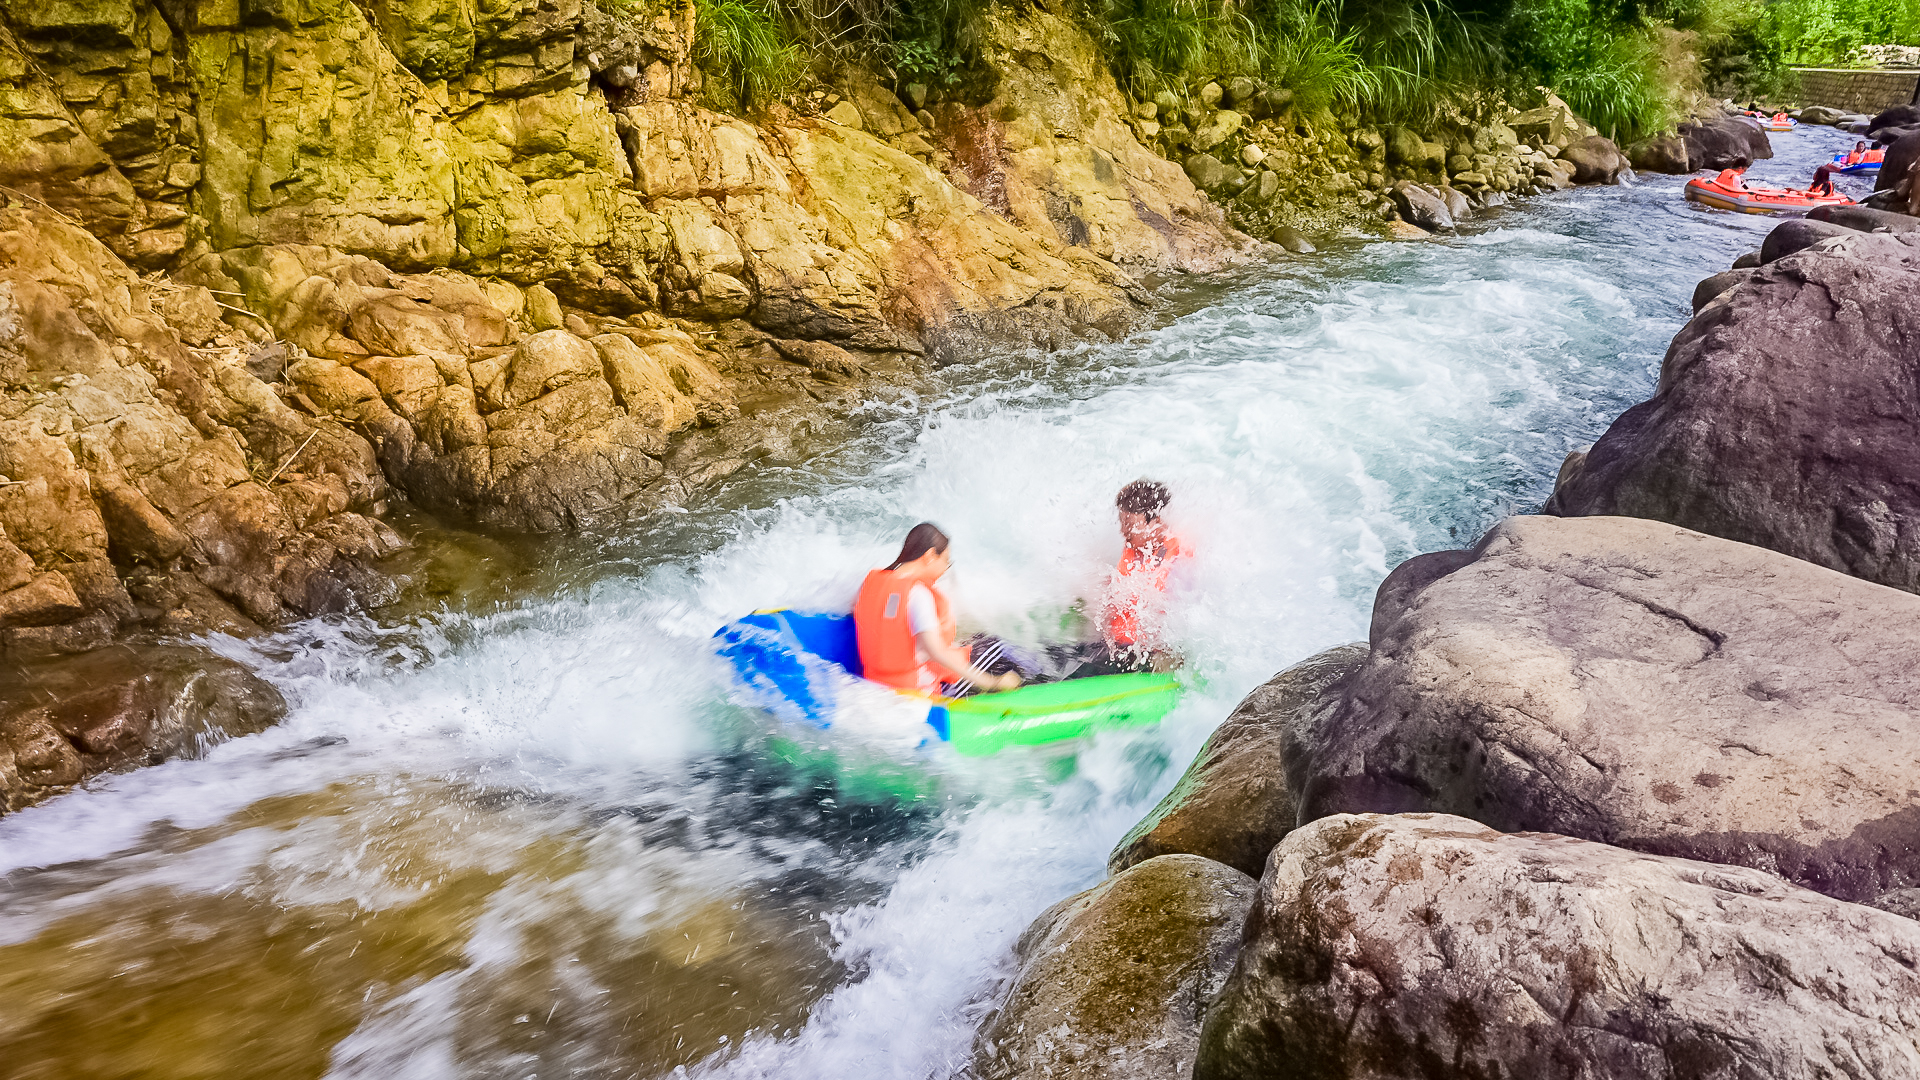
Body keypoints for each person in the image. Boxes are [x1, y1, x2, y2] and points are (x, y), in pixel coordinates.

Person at [853, 523, 1021, 696]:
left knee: (975, 642)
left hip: (877, 684)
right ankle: (1043, 681)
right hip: (918, 692)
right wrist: (992, 682)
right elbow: (937, 652)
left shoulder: (870, 584)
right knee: (999, 645)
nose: (945, 570)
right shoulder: (917, 594)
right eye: (946, 561)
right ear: (930, 555)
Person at [1102, 479, 1189, 662]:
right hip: (1117, 648)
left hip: (1146, 655)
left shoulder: (1179, 559)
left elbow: (1188, 617)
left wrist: (1173, 656)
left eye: (1129, 523)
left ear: (1156, 521)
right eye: (1122, 523)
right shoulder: (1134, 550)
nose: (1123, 530)